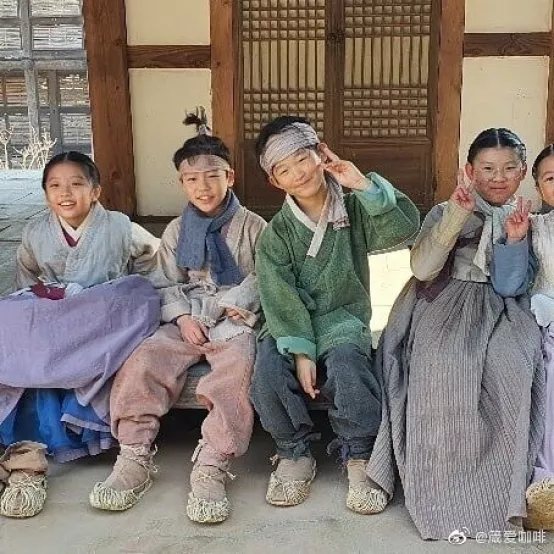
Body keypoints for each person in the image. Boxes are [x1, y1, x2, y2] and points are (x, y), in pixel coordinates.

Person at [90, 111, 267, 524]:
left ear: (231, 177)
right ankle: (134, 453)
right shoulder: (173, 231)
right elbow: (165, 282)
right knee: (145, 358)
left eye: (212, 176)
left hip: (234, 313)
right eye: (191, 179)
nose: (202, 187)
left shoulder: (254, 226)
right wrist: (185, 318)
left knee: (236, 369)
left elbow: (263, 276)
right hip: (188, 312)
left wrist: (229, 307)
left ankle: (213, 461)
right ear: (182, 183)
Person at [367, 128, 545, 540]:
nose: (497, 177)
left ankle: (502, 490)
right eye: (487, 168)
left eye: (508, 169)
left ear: (521, 174)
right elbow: (423, 269)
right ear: (470, 170)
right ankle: (440, 487)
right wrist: (454, 220)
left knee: (514, 364)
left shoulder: (526, 217)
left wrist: (516, 241)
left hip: (501, 309)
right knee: (442, 365)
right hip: (441, 302)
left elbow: (510, 286)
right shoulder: (447, 208)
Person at [249, 116, 420, 514]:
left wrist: (362, 185)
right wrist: (301, 350)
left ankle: (360, 455)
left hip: (343, 315)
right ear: (275, 182)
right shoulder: (277, 234)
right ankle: (294, 452)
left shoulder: (354, 208)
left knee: (348, 363)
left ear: (321, 154)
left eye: (303, 159)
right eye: (284, 169)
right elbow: (279, 294)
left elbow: (404, 229)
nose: (298, 173)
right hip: (291, 323)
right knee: (269, 370)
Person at [0, 151, 161, 518]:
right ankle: (28, 447)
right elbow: (26, 282)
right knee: (10, 315)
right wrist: (45, 302)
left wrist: (115, 297)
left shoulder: (121, 226)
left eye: (76, 183)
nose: (66, 193)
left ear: (96, 190)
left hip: (98, 322)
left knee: (135, 298)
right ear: (45, 194)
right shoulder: (36, 231)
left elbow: (153, 271)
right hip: (56, 317)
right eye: (55, 186)